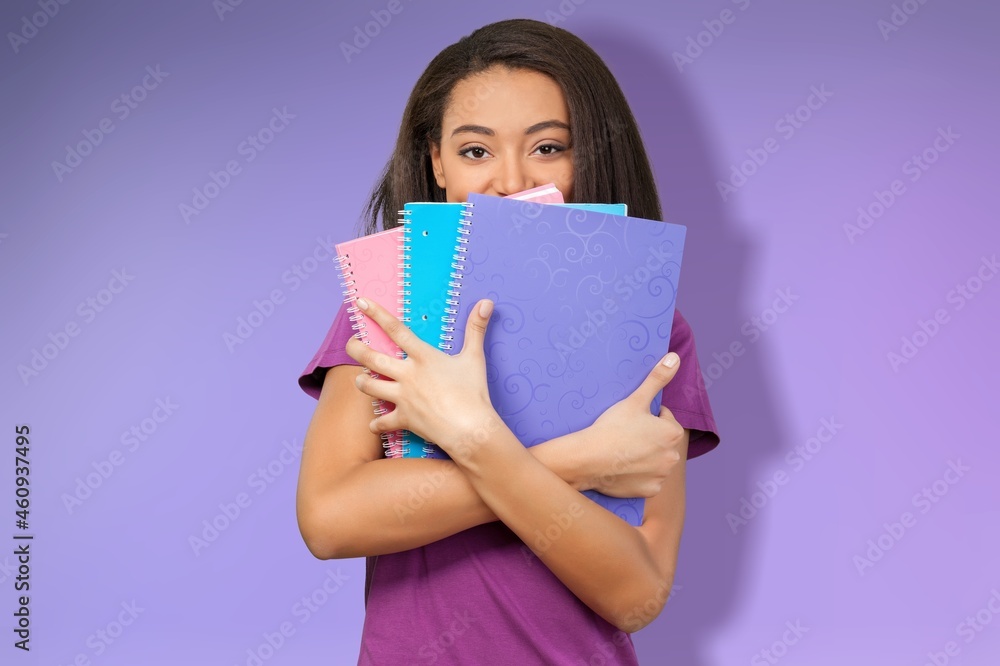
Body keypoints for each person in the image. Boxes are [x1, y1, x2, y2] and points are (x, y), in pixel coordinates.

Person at [295, 18, 720, 665]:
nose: (511, 180)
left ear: (594, 156)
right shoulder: (392, 304)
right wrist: (576, 459)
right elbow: (329, 520)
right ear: (435, 162)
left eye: (548, 147)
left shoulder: (656, 328)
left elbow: (637, 596)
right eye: (475, 151)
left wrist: (478, 447)